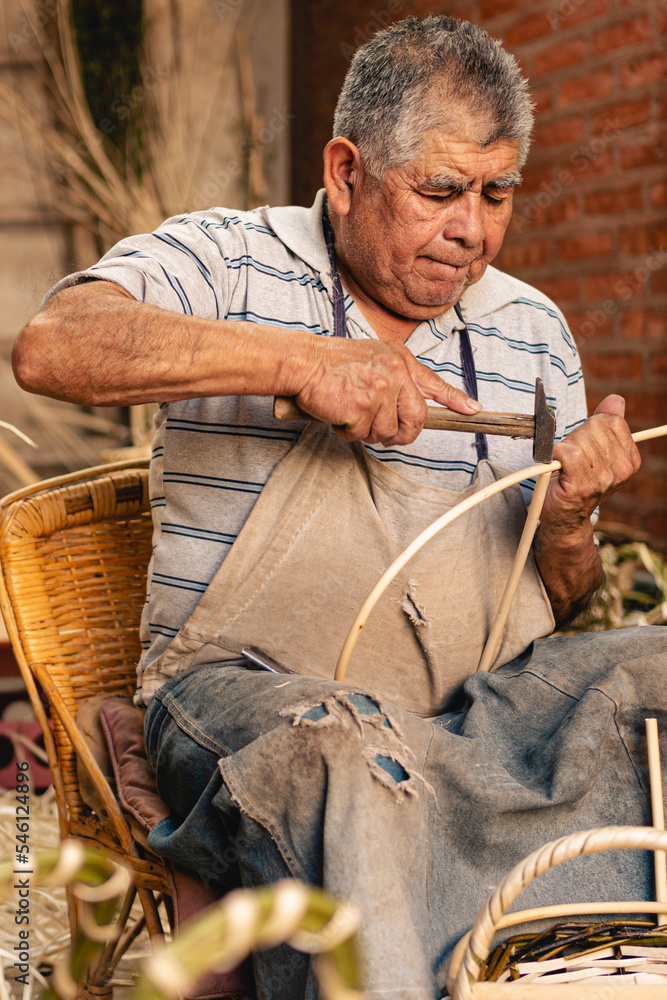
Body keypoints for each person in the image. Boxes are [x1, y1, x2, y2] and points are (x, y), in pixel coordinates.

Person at [12, 16, 664, 1000]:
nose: (473, 231)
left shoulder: (532, 328)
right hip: (260, 693)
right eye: (439, 191)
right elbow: (54, 344)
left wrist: (569, 520)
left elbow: (563, 599)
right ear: (347, 170)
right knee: (338, 750)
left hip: (475, 719)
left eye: (497, 194)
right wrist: (302, 361)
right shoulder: (228, 262)